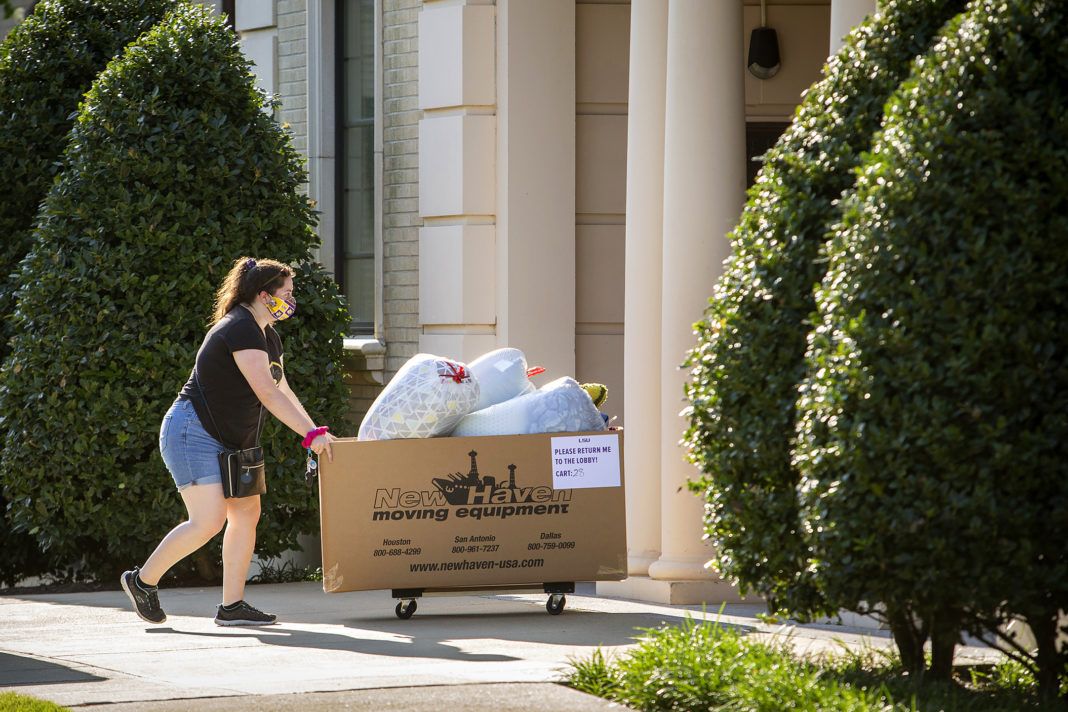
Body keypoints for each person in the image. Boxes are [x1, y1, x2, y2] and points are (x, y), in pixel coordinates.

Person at [121, 257, 336, 626]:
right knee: (208, 521)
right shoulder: (239, 328)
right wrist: (309, 435)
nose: (291, 300)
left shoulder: (267, 334)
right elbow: (267, 393)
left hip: (234, 438)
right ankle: (142, 581)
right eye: (286, 293)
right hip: (194, 432)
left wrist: (315, 429)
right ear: (264, 295)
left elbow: (282, 387)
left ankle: (232, 606)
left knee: (246, 513)